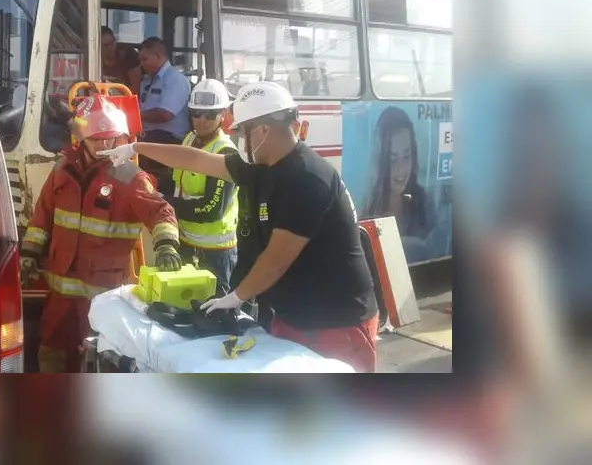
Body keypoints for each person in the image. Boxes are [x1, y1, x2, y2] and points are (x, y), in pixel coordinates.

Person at [99, 82, 380, 372]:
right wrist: (136, 148)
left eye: (240, 131)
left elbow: (276, 260)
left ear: (262, 131)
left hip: (335, 323)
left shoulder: (307, 180)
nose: (237, 138)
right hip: (292, 313)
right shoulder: (260, 166)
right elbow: (196, 160)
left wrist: (235, 298)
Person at [19, 93, 182, 373]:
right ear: (81, 138)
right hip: (60, 290)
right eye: (97, 139)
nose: (105, 144)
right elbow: (42, 216)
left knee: (96, 357)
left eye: (110, 138)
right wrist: (29, 253)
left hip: (102, 297)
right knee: (51, 351)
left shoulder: (128, 176)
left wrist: (166, 244)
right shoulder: (62, 170)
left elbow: (161, 211)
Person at [165, 79, 239, 294]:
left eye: (210, 114)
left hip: (216, 253)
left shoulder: (225, 152)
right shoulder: (190, 139)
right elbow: (175, 179)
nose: (202, 120)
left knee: (216, 314)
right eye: (197, 113)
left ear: (223, 115)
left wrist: (167, 204)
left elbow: (211, 209)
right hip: (187, 243)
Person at [362, 106, 438, 262]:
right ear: (381, 161)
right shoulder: (367, 207)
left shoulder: (426, 203)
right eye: (393, 160)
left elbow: (435, 255)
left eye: (406, 156)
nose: (401, 169)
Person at [136, 37, 191, 195]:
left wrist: (135, 115)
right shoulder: (146, 81)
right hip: (148, 135)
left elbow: (165, 114)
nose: (142, 64)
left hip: (170, 138)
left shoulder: (176, 80)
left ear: (159, 56)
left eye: (145, 59)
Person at [101, 26, 141, 92]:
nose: (110, 48)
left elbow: (136, 89)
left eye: (112, 43)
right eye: (105, 46)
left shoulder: (128, 55)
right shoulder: (94, 59)